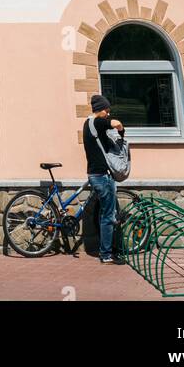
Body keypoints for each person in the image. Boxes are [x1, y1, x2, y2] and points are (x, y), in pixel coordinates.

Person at [83, 93, 125, 265]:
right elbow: (116, 124)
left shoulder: (90, 124)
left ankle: (107, 250)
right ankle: (106, 254)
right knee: (107, 216)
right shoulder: (97, 122)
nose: (108, 114)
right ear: (100, 110)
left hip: (97, 175)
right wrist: (119, 127)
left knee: (105, 214)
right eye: (107, 111)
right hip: (101, 176)